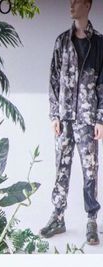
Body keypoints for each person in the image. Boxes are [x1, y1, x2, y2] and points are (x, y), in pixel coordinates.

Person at [43, 0, 103, 245]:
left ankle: (91, 220)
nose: (71, 4)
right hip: (65, 117)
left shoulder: (99, 43)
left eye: (76, 1)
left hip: (88, 119)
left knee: (90, 170)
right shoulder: (62, 41)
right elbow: (53, 80)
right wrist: (54, 114)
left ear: (87, 5)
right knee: (61, 168)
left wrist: (100, 118)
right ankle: (58, 217)